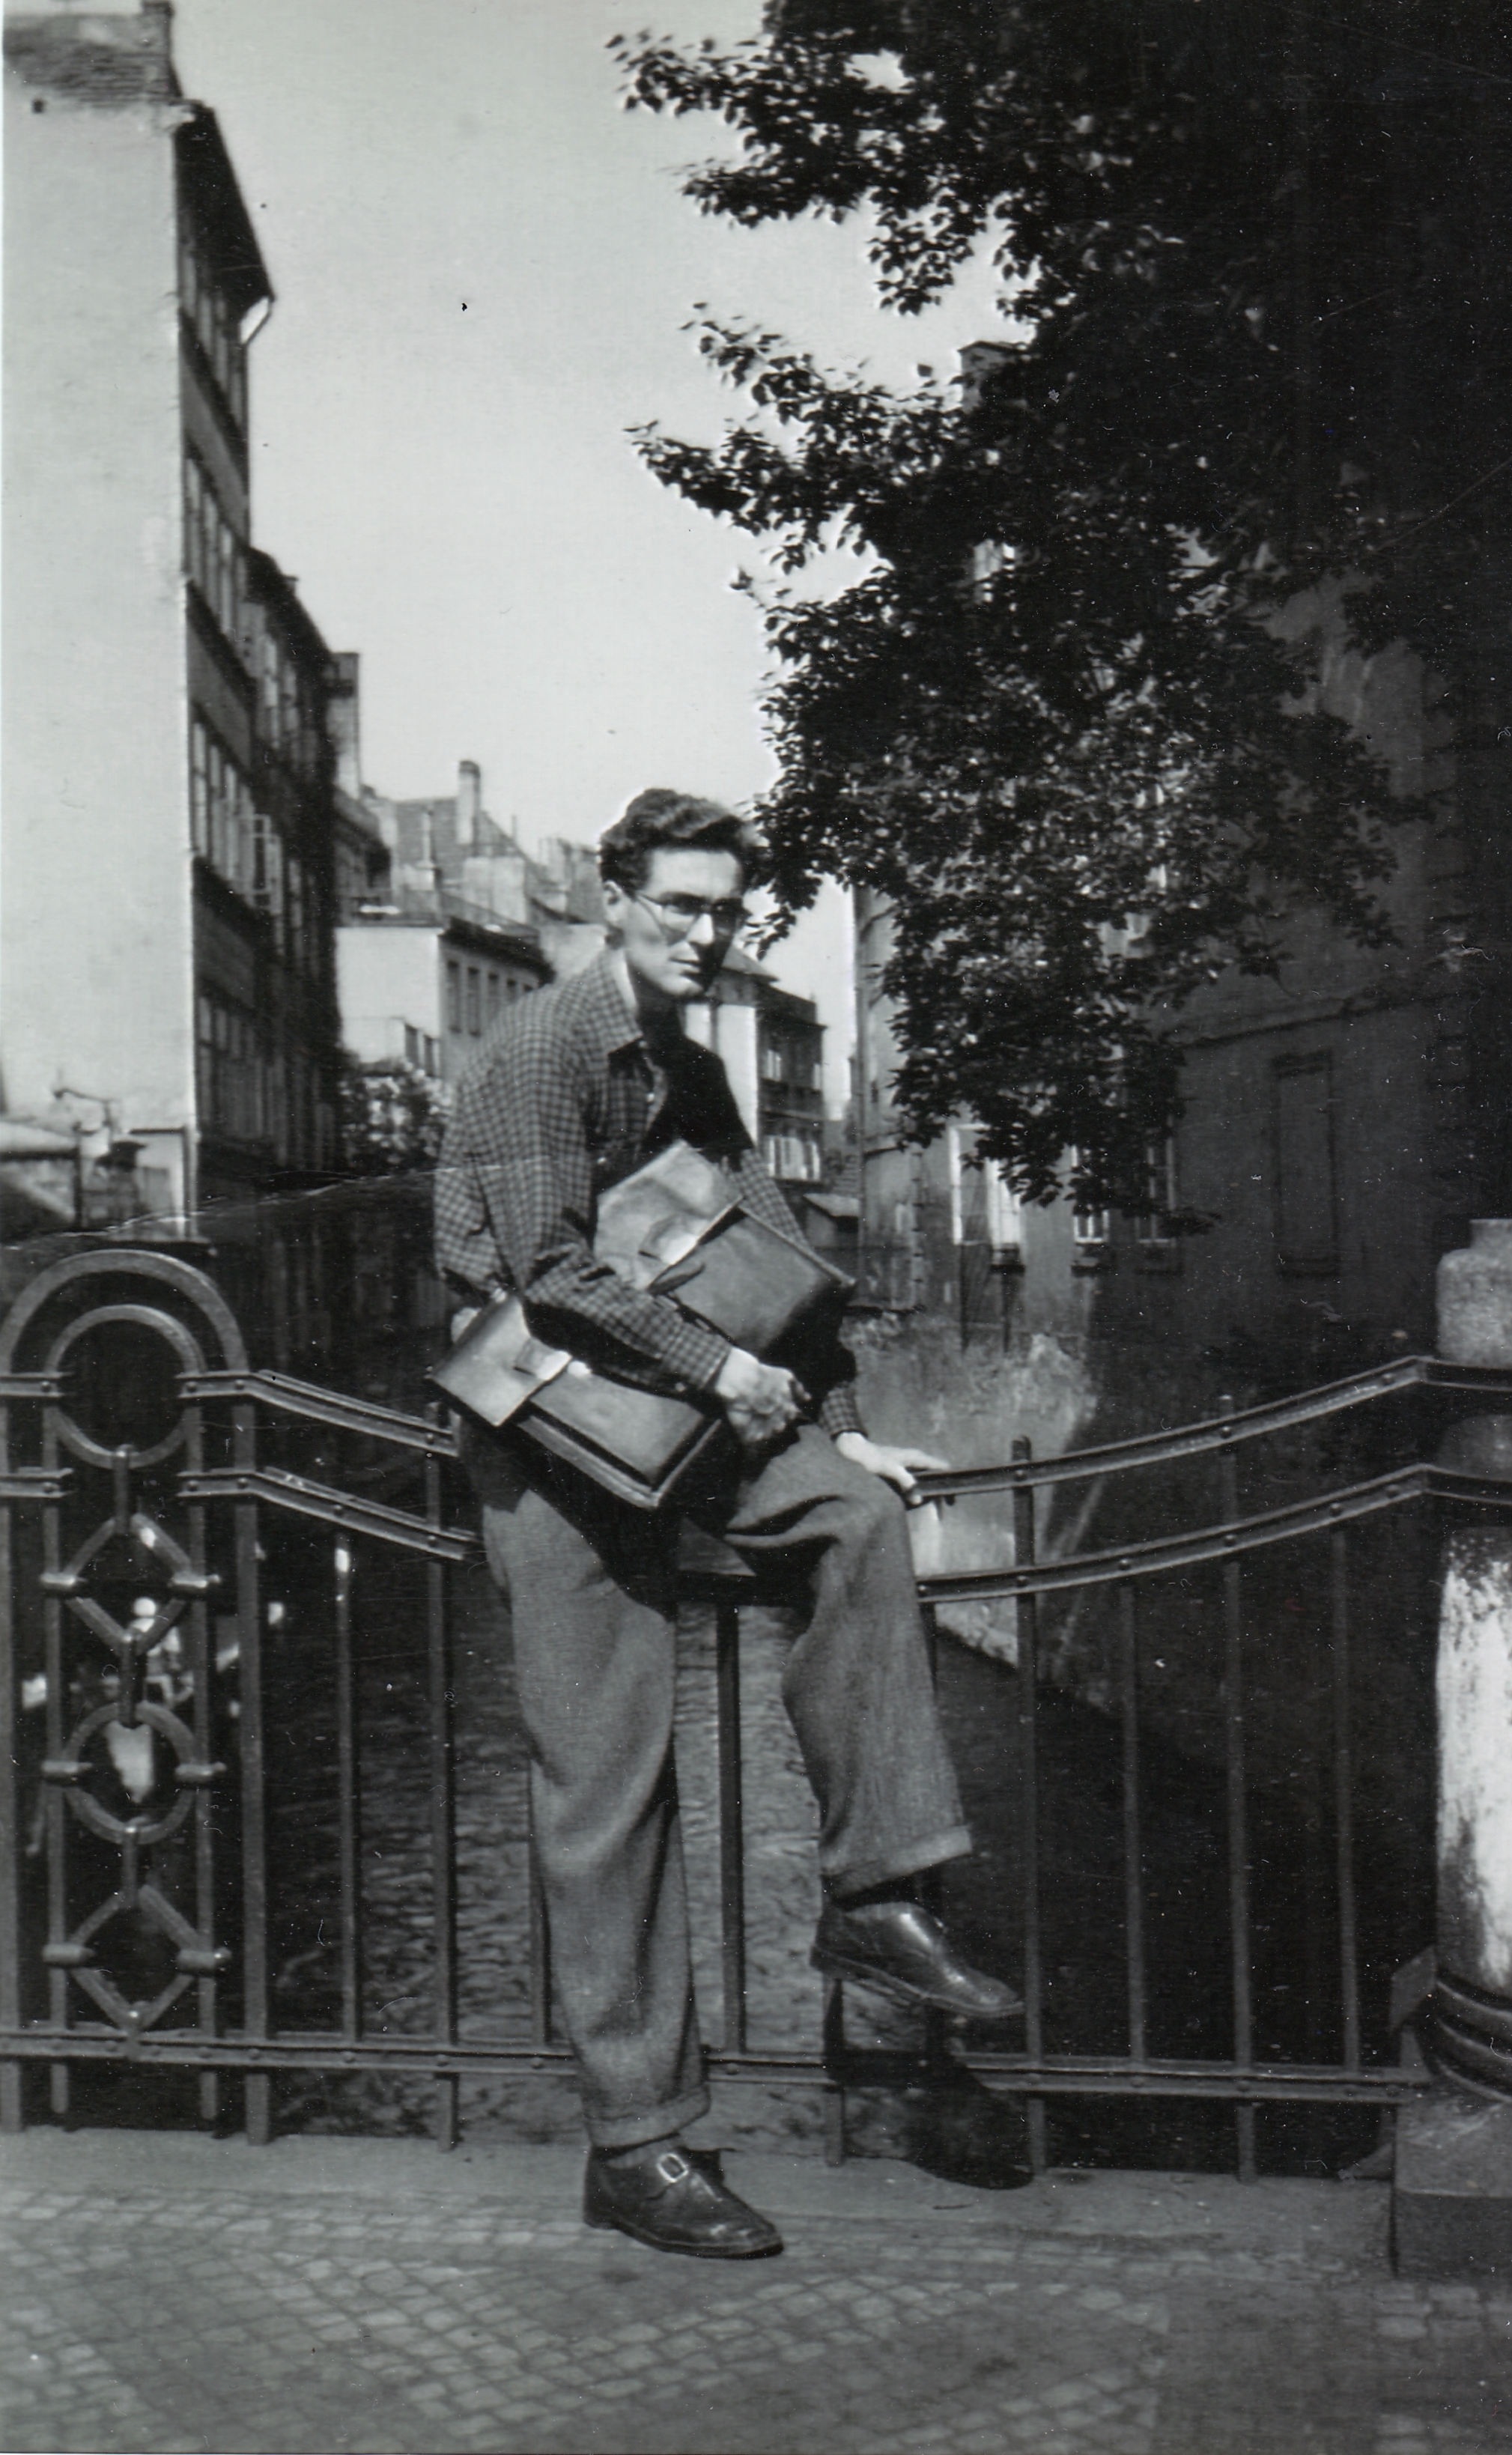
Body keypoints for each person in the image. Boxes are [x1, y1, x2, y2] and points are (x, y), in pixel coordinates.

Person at [434, 788, 1020, 2260]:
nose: (707, 934)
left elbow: (775, 1254)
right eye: (682, 905)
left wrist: (838, 1422)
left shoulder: (692, 1065)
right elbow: (551, 1272)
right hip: (551, 1433)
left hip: (686, 1406)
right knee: (609, 1784)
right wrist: (723, 1370)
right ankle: (639, 2142)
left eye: (726, 911)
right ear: (616, 900)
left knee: (856, 1516)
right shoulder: (540, 1048)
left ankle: (877, 1897)